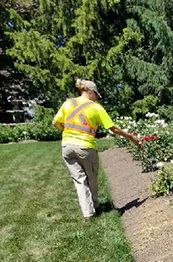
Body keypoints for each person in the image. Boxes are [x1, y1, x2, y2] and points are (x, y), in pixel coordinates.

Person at [52, 78, 139, 220]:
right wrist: (131, 137)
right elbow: (113, 128)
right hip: (85, 146)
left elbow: (55, 122)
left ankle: (88, 214)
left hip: (67, 146)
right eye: (96, 95)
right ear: (90, 92)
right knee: (91, 177)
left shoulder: (69, 103)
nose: (97, 98)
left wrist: (67, 133)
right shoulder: (96, 107)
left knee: (79, 179)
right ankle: (95, 206)